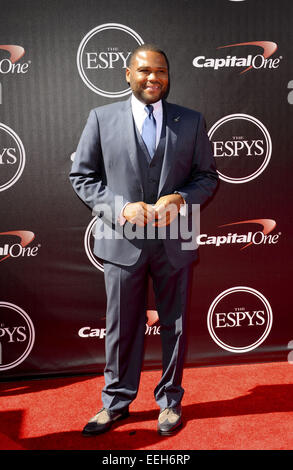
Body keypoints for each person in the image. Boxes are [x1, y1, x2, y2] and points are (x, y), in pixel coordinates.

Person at [69, 44, 218, 436]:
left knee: (176, 325)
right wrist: (121, 209)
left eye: (162, 72)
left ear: (169, 77)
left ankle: (170, 401)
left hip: (176, 239)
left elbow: (207, 177)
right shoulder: (101, 119)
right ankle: (116, 402)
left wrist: (181, 199)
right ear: (128, 74)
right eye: (145, 71)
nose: (154, 78)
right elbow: (82, 177)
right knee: (122, 326)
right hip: (122, 241)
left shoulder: (191, 120)